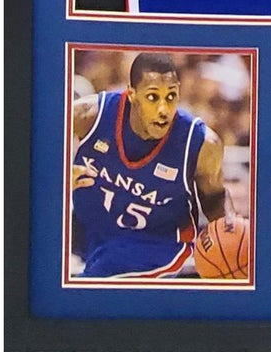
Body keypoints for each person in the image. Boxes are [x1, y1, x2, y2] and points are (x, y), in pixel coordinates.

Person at [71, 52, 227, 278]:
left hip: (157, 247)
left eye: (171, 96)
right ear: (132, 94)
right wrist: (57, 176)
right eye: (153, 97)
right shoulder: (87, 116)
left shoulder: (201, 143)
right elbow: (34, 153)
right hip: (90, 238)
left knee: (97, 284)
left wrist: (232, 233)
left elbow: (215, 202)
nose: (164, 109)